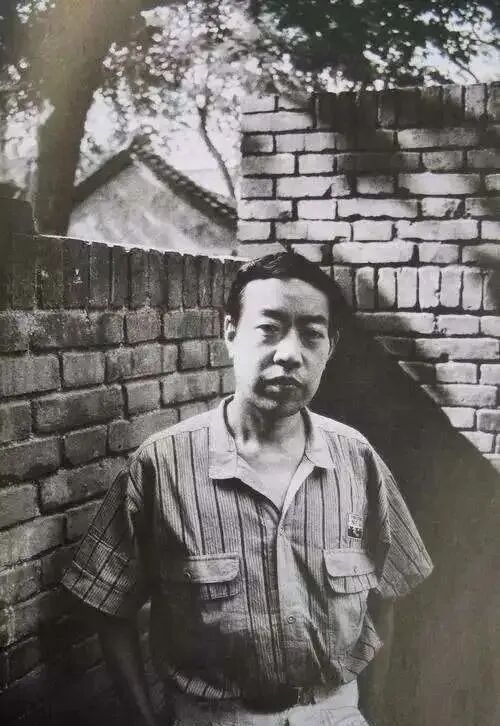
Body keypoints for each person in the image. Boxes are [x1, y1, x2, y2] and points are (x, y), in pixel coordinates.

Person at [62, 251, 433, 726]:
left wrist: (367, 713)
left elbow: (389, 593)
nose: (289, 354)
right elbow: (107, 605)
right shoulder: (162, 465)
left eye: (311, 334)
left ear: (330, 347)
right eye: (269, 328)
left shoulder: (358, 460)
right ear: (230, 333)